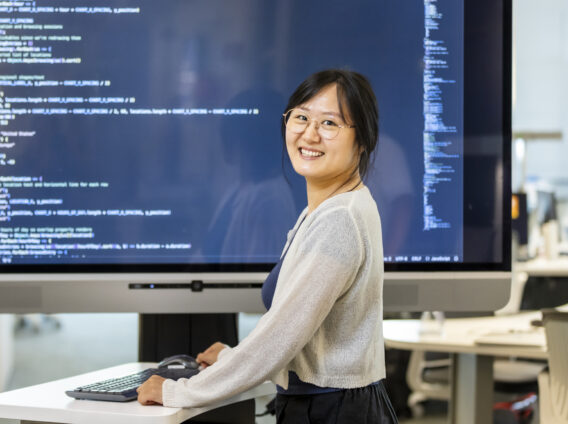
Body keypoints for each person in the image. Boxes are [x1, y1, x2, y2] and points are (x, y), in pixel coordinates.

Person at [137, 69, 398, 423]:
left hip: (332, 411)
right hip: (329, 404)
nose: (310, 133)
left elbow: (281, 337)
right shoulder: (329, 208)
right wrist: (232, 359)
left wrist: (177, 392)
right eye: (301, 118)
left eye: (330, 124)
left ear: (362, 139)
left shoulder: (340, 219)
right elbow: (290, 329)